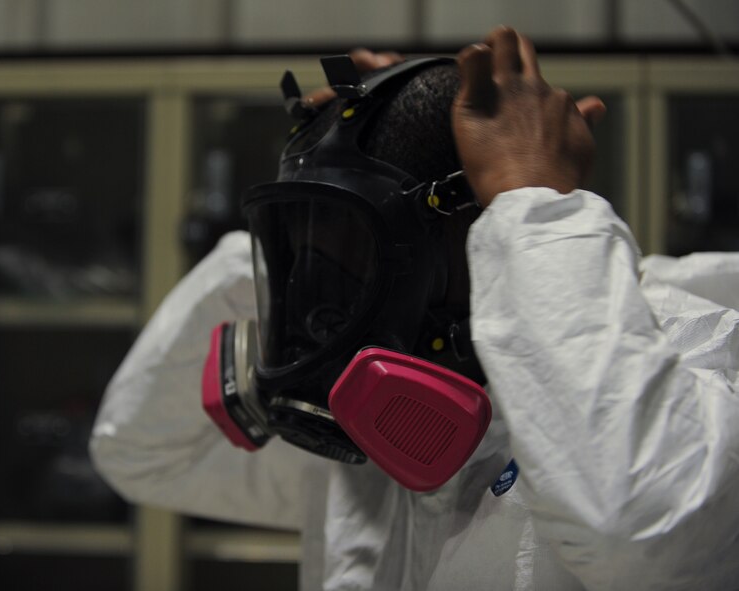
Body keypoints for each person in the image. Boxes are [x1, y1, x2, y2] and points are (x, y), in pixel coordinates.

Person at [91, 27, 739, 590]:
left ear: (476, 224)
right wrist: (293, 228)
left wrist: (537, 203)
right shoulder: (366, 441)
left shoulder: (688, 354)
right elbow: (137, 449)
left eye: (352, 250)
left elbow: (645, 530)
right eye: (306, 255)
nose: (321, 309)